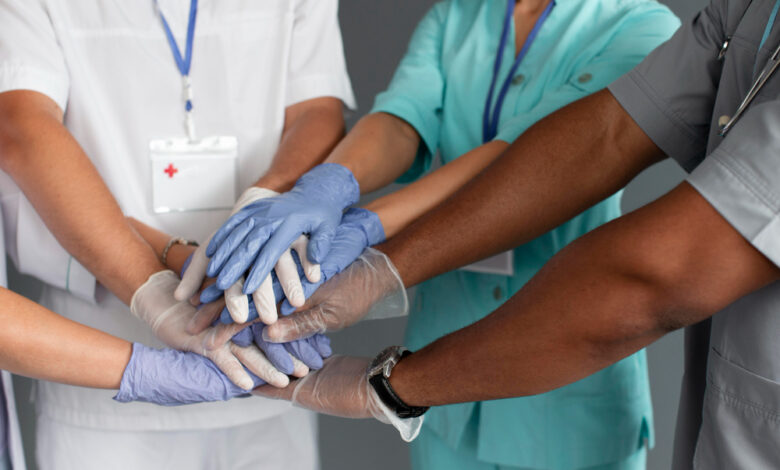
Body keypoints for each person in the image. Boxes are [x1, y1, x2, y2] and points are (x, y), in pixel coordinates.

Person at [253, 0, 780, 468]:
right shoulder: (743, 9)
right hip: (448, 394)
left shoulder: (636, 23)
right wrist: (336, 192)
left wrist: (375, 246)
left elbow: (566, 167)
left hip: (567, 395)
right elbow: (407, 118)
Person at [0, 0, 354, 468]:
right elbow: (21, 125)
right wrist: (153, 289)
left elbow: (316, 107)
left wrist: (265, 206)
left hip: (266, 352)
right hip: (100, 365)